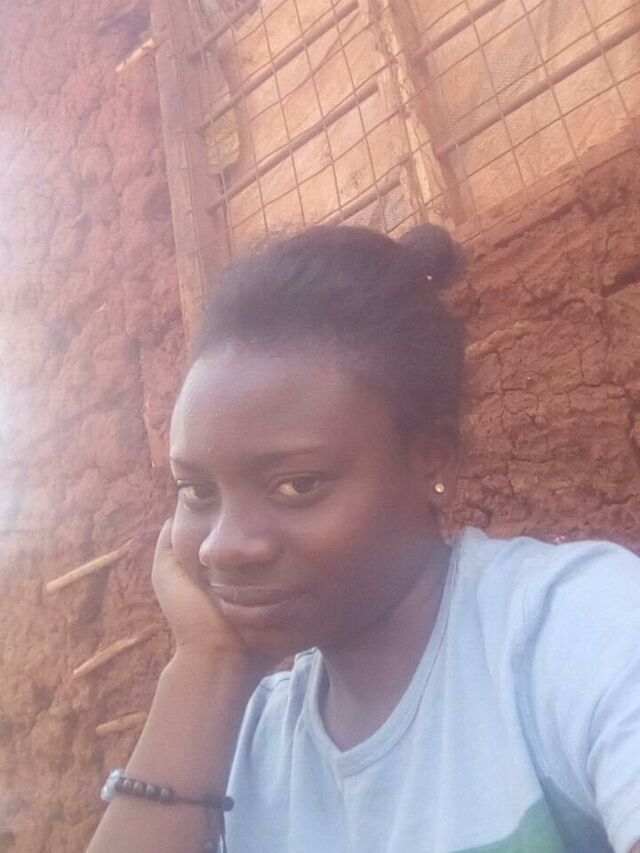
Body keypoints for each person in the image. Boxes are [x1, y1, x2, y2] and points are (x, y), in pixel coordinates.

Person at [87, 224, 640, 853]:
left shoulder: (570, 629)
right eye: (196, 492)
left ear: (432, 460)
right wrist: (203, 665)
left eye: (296, 485)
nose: (222, 547)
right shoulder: (242, 749)